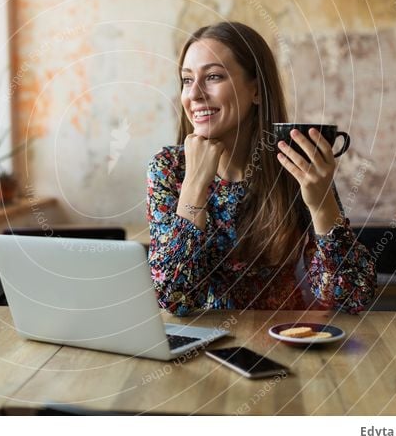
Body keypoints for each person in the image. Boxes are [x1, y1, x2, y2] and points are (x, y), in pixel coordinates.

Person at [146, 21, 376, 316]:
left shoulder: (295, 165)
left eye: (213, 76)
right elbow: (175, 298)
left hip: (281, 337)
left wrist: (322, 204)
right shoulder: (169, 168)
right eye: (187, 80)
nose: (194, 95)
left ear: (256, 90)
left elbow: (352, 296)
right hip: (196, 344)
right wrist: (194, 184)